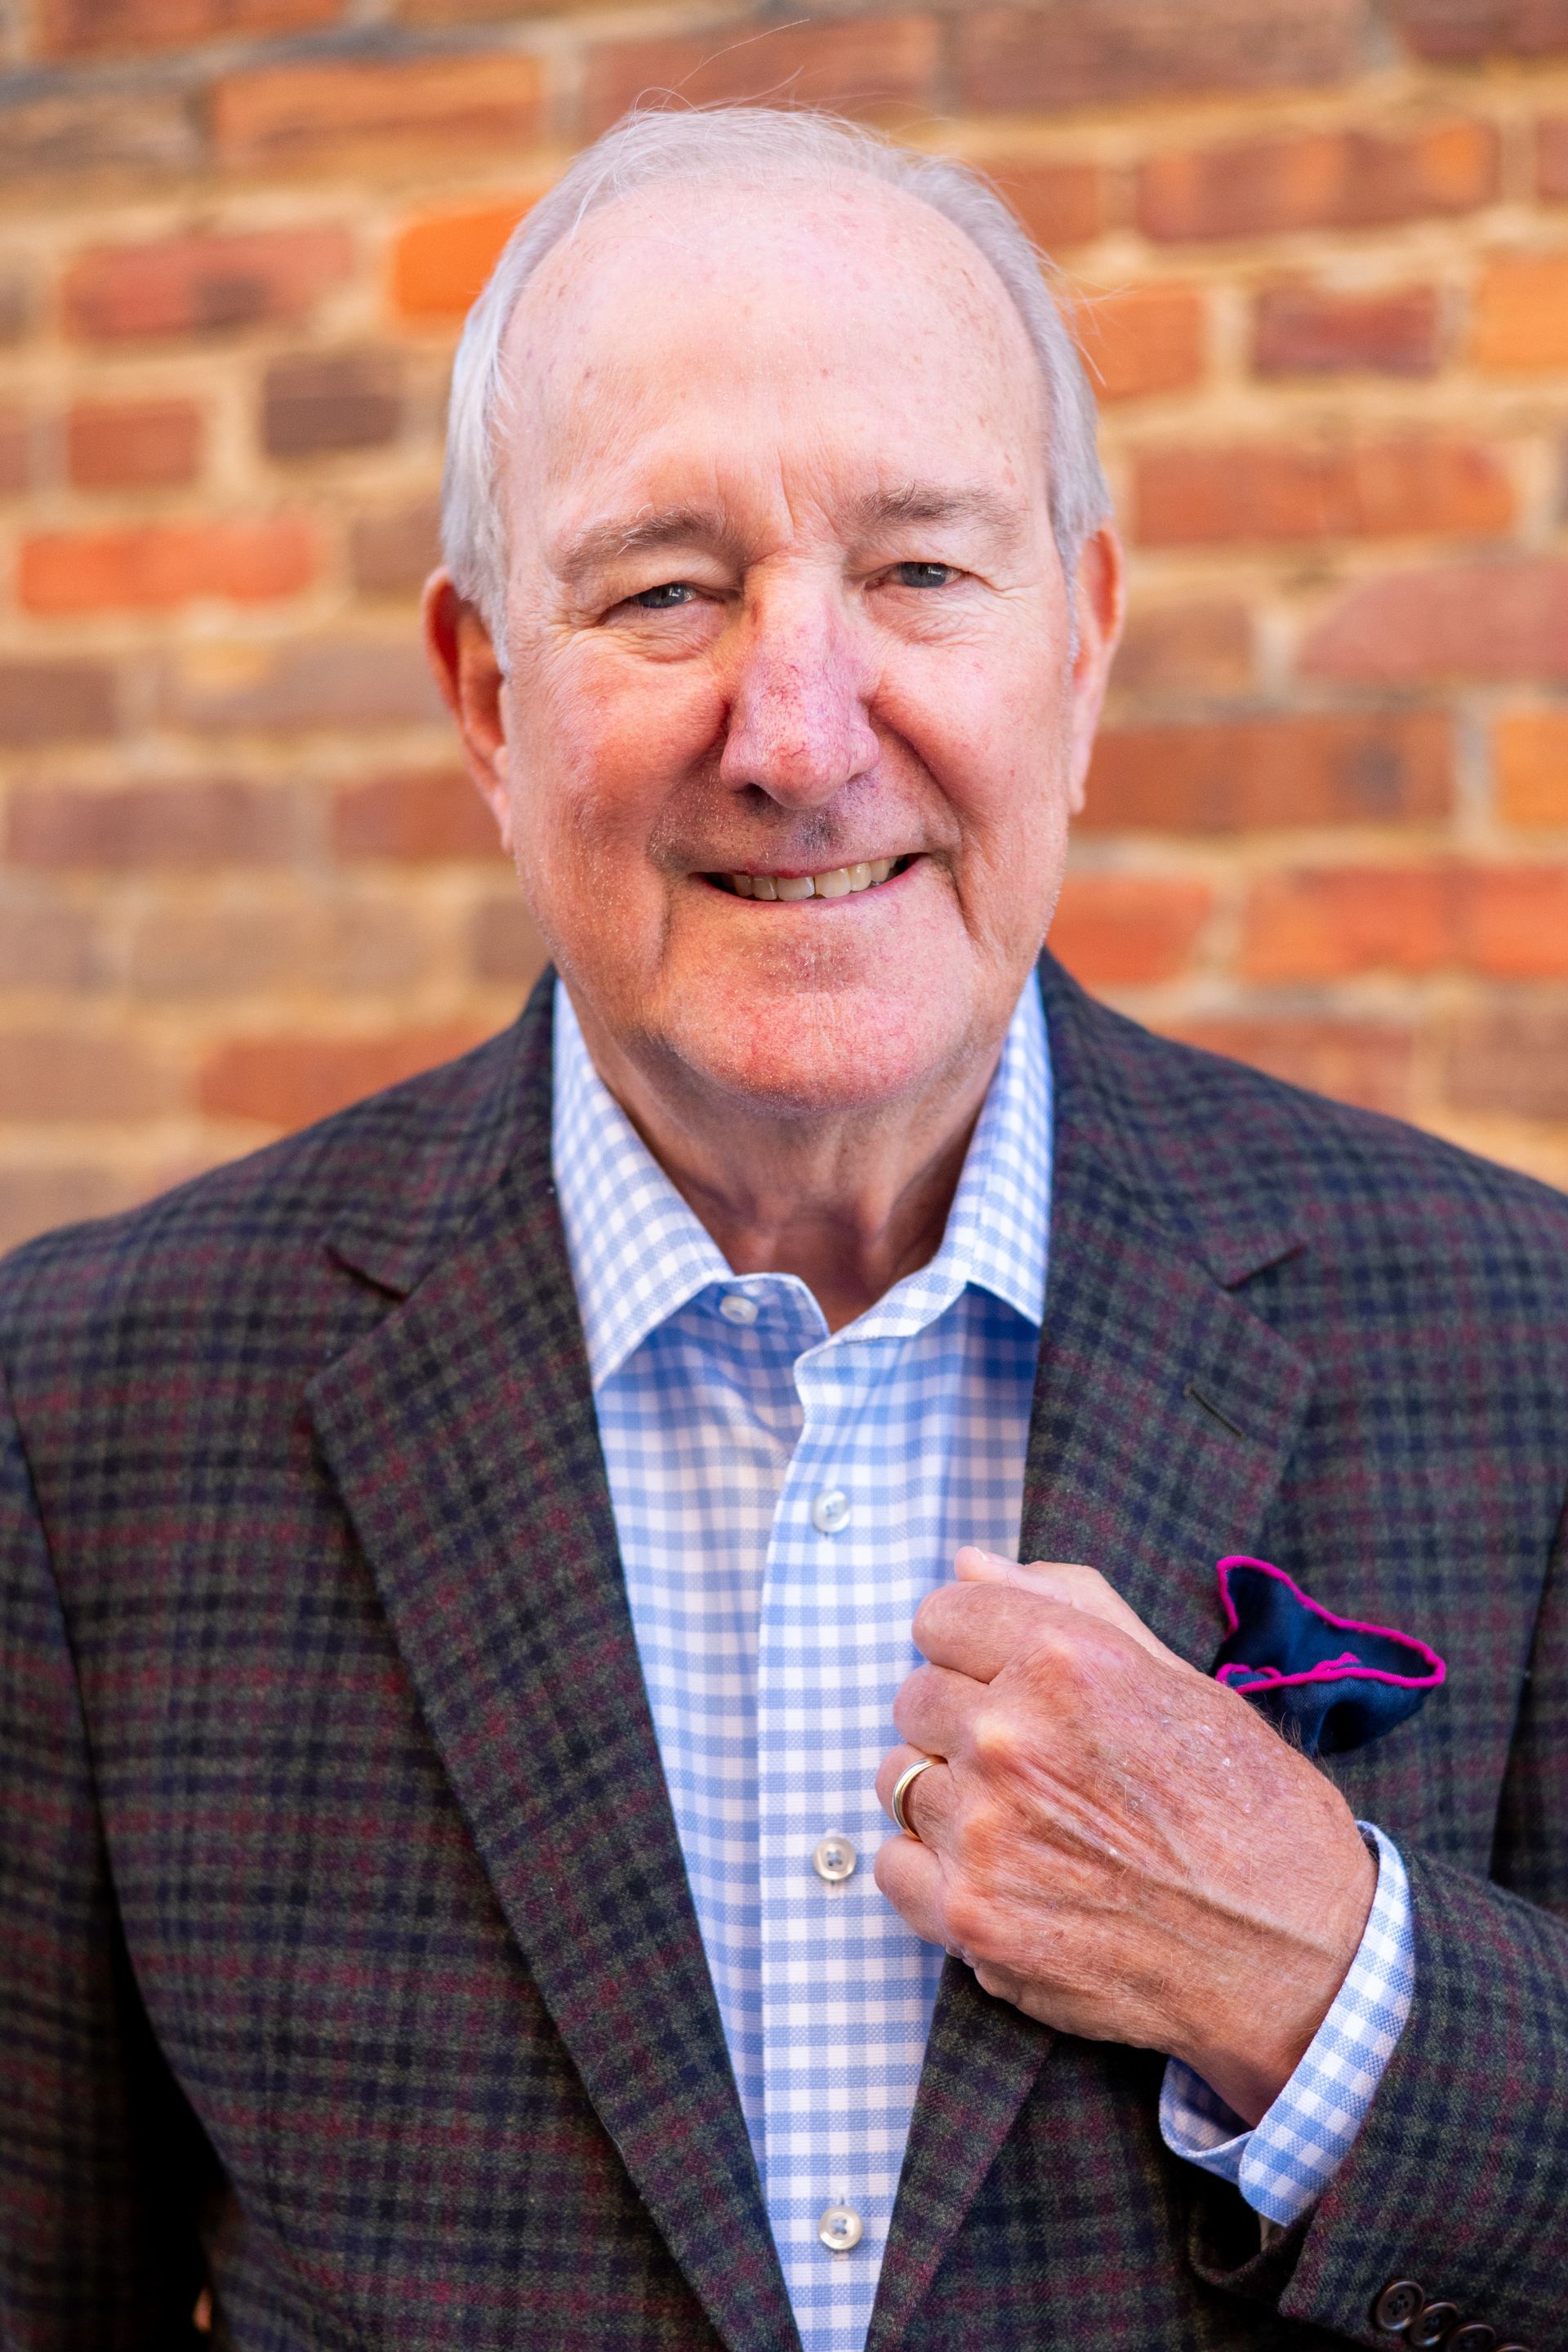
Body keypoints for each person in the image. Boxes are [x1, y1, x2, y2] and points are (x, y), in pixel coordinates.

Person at [2, 105, 1564, 2352]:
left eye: (923, 572)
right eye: (665, 590)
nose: (801, 733)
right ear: (482, 695)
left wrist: (1329, 1978)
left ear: (1084, 646)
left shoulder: (1522, 1336)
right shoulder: (87, 1419)